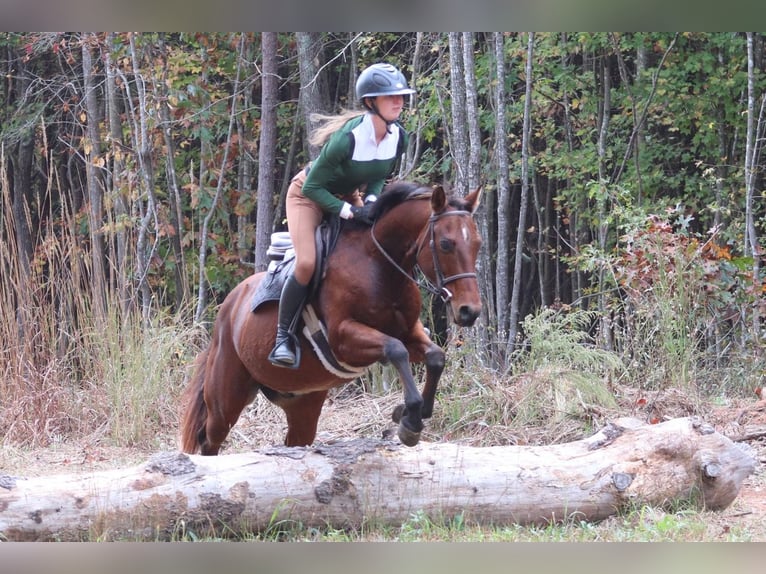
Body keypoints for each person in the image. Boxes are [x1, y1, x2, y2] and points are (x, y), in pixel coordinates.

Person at [268, 62, 416, 368]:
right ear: (370, 102)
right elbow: (312, 187)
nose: (399, 101)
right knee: (308, 263)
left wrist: (372, 201)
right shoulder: (347, 139)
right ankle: (283, 337)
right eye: (391, 97)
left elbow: (379, 173)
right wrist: (349, 211)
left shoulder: (398, 137)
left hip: (349, 195)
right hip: (308, 197)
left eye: (401, 96)